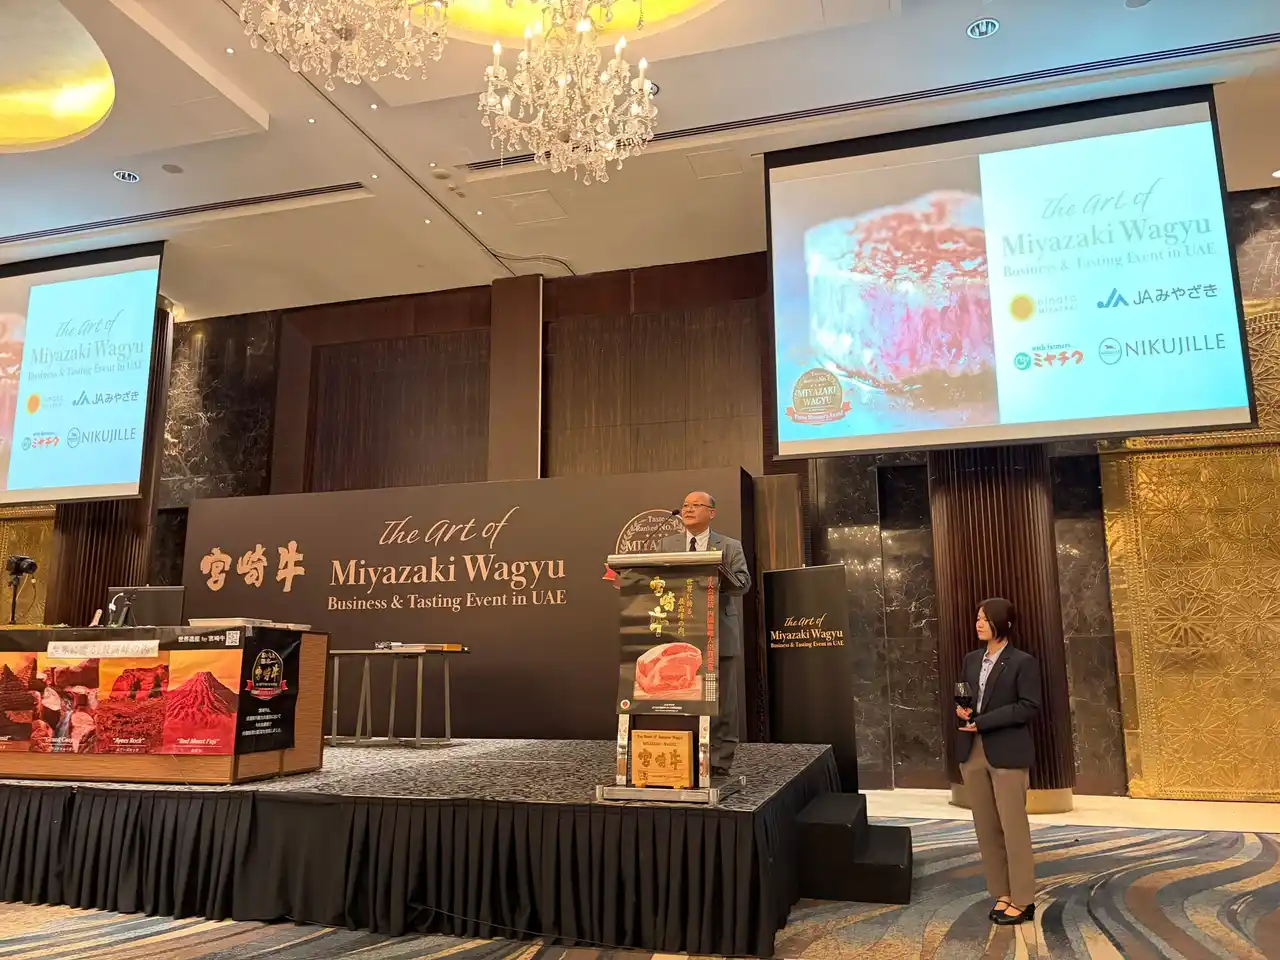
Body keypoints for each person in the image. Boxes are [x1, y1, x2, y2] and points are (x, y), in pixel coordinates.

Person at [955, 597, 1041, 926]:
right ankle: (1002, 892)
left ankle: (1023, 899)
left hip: (1006, 752)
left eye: (984, 619)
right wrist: (962, 709)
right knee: (986, 827)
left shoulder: (1022, 662)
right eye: (977, 618)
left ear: (1002, 623)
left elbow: (1028, 706)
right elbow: (964, 694)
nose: (978, 623)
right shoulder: (971, 659)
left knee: (1013, 828)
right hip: (972, 751)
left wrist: (984, 722)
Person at [660, 491, 751, 777]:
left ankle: (720, 760)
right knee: (683, 698)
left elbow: (743, 584)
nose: (688, 510)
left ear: (712, 513)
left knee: (722, 701)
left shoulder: (730, 546)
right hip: (680, 634)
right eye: (685, 505)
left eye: (696, 505)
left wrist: (718, 573)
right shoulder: (667, 545)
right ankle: (684, 757)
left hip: (718, 632)